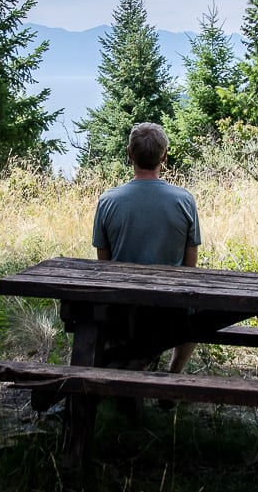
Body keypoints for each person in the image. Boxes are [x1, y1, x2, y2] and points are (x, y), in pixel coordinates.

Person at [92, 122, 201, 374]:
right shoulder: (184, 200)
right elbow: (190, 266)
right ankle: (174, 373)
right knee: (200, 315)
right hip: (170, 309)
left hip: (121, 309)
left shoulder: (108, 201)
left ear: (130, 153)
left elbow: (103, 264)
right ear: (164, 155)